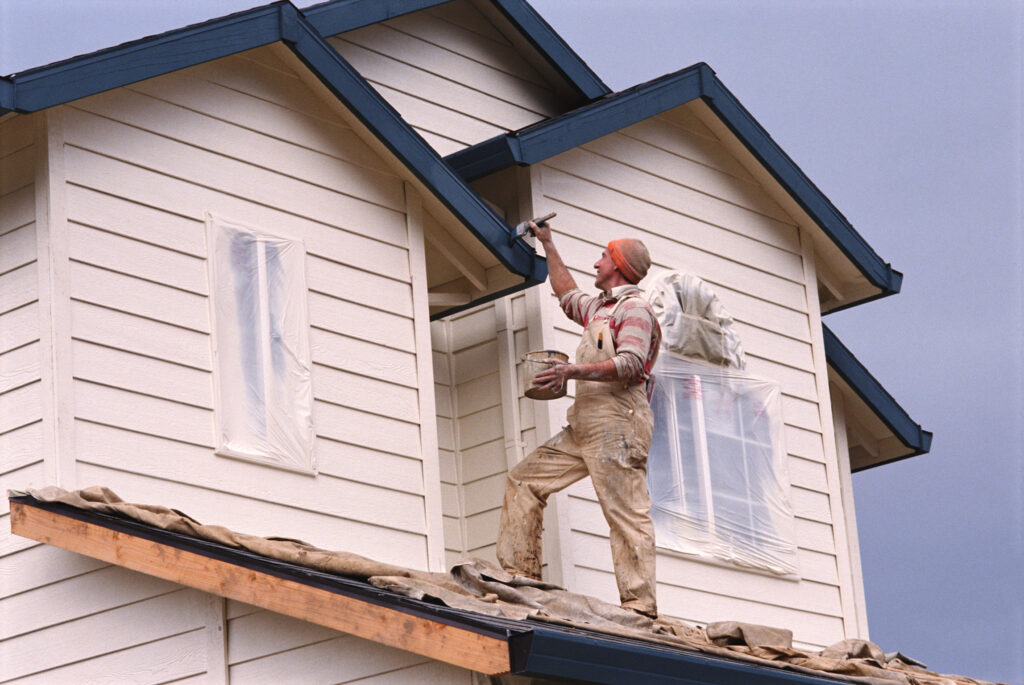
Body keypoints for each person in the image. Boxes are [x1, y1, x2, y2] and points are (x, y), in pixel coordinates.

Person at [496, 219, 662, 618]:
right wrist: (549, 244)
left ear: (618, 265)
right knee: (524, 480)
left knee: (625, 513)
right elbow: (567, 294)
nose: (596, 262)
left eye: (603, 256)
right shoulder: (601, 309)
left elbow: (631, 363)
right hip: (586, 424)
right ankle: (522, 575)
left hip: (619, 424)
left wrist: (572, 372)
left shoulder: (635, 309)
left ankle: (640, 606)